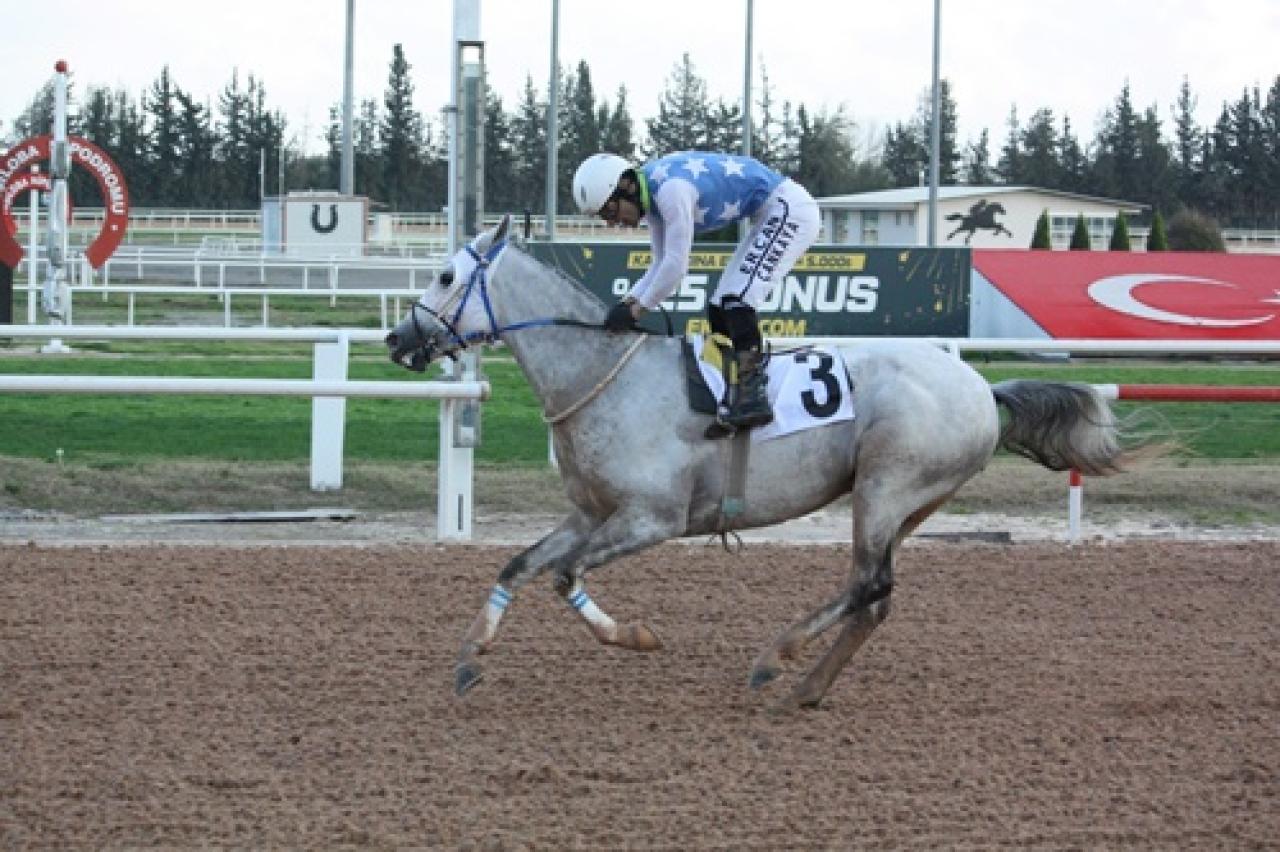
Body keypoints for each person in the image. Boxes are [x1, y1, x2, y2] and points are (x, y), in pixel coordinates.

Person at [571, 151, 820, 432]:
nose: (611, 223)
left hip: (790, 208)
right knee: (718, 309)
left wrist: (637, 309)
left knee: (736, 300)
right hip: (770, 211)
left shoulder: (670, 191)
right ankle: (731, 398)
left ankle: (753, 399)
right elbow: (659, 265)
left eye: (609, 211)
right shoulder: (650, 200)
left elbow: (676, 267)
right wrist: (626, 303)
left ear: (625, 187)